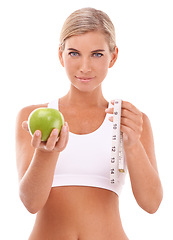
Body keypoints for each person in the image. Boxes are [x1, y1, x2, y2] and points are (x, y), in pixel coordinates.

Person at [15, 7, 163, 240]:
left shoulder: (131, 120)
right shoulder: (33, 116)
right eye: (74, 53)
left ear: (113, 56)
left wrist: (133, 145)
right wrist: (47, 153)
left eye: (97, 54)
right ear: (60, 55)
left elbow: (152, 204)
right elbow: (30, 203)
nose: (85, 66)